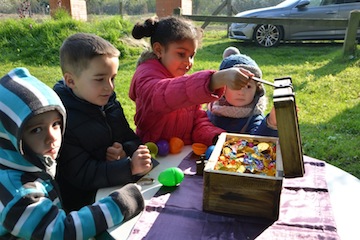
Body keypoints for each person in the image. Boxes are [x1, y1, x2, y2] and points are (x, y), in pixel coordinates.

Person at [0, 68, 144, 239]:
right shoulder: (18, 193)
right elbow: (60, 231)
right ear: (10, 135)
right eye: (36, 130)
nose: (52, 137)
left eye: (55, 124)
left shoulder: (31, 162)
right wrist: (119, 204)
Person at [53, 33, 153, 212]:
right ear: (70, 81)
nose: (110, 87)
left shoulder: (109, 103)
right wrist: (128, 166)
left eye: (112, 78)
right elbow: (81, 173)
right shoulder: (61, 119)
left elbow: (128, 136)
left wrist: (127, 152)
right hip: (84, 206)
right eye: (100, 79)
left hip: (115, 187)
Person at [129, 16, 255, 146]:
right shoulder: (145, 76)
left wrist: (216, 138)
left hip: (181, 157)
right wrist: (217, 79)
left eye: (191, 56)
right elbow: (163, 94)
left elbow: (197, 121)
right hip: (152, 157)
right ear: (159, 50)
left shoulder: (185, 83)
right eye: (181, 54)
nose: (188, 62)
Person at [207, 53, 278, 137]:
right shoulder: (212, 109)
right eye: (236, 86)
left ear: (257, 90)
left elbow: (258, 140)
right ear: (222, 88)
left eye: (248, 86)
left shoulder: (254, 117)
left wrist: (271, 123)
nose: (241, 92)